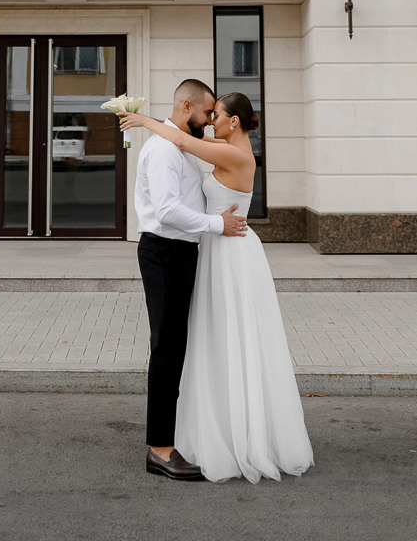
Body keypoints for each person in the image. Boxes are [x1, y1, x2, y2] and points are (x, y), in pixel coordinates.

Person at [121, 90, 314, 484]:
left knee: (230, 340)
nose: (211, 120)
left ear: (234, 122)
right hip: (209, 248)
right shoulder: (221, 145)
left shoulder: (237, 154)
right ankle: (212, 431)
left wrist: (142, 122)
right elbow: (180, 138)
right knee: (206, 341)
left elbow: (180, 139)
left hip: (230, 254)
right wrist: (157, 124)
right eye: (208, 113)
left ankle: (234, 435)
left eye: (217, 115)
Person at [132, 79, 249, 480]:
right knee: (167, 348)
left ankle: (174, 434)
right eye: (206, 112)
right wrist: (218, 223)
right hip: (164, 253)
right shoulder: (165, 149)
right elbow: (166, 211)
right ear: (186, 106)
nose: (209, 119)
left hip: (181, 253)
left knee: (178, 346)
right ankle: (160, 450)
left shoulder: (180, 145)